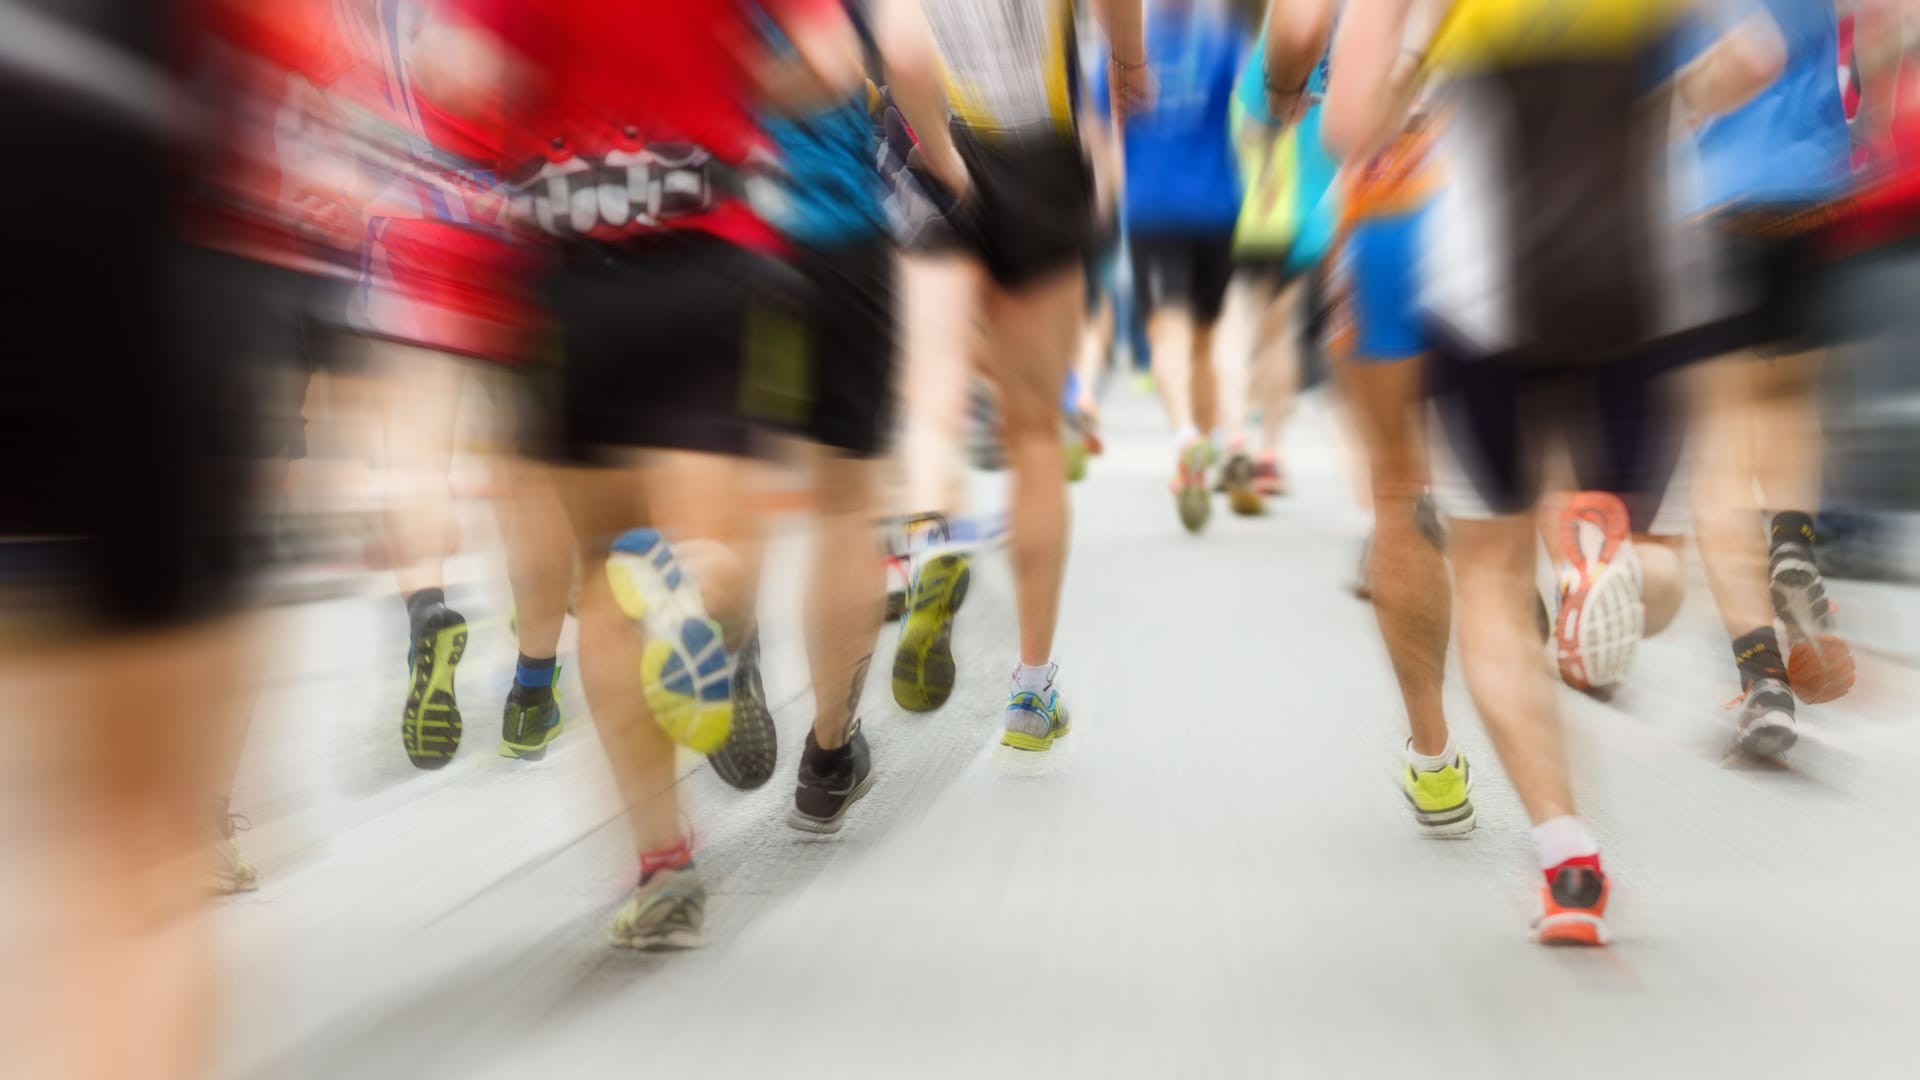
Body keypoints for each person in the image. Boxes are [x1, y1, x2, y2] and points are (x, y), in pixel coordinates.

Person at [1325, 0, 1787, 945]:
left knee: (1492, 580)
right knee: (1648, 550)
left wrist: (1419, 51)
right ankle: (1602, 565)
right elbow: (1757, 58)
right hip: (1647, 288)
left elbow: (1350, 125)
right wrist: (1680, 106)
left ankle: (1568, 860)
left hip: (1485, 298)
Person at [422, 0, 864, 949]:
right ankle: (695, 586)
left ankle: (662, 870)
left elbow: (449, 72)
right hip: (708, 246)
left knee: (603, 576)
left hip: (566, 274)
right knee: (719, 560)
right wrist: (730, 83)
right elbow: (829, 63)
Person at [890, 0, 1146, 752]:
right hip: (1042, 154)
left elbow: (901, 48)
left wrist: (940, 156)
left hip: (928, 145)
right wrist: (1128, 66)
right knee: (1035, 432)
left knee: (931, 391)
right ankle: (1031, 693)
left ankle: (931, 533)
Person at [1089, 0, 1251, 532]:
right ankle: (1197, 465)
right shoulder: (1221, 40)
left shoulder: (1122, 46)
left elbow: (1100, 134)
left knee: (1168, 335)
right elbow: (1252, 115)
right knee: (1202, 342)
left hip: (1156, 209)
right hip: (1217, 207)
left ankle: (1185, 436)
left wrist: (1106, 199)